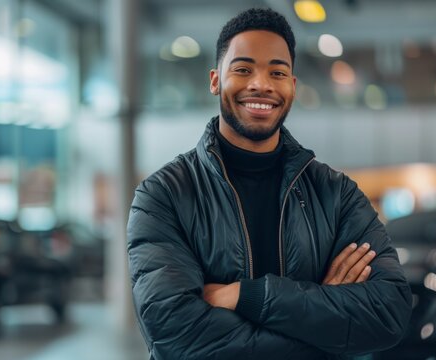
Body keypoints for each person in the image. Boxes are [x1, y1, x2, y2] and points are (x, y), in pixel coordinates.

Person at [127, 7, 412, 360]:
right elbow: (175, 334)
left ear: (291, 86)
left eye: (277, 72)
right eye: (243, 69)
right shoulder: (163, 196)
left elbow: (389, 313)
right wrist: (320, 318)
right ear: (215, 80)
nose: (261, 84)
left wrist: (248, 297)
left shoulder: (337, 195)